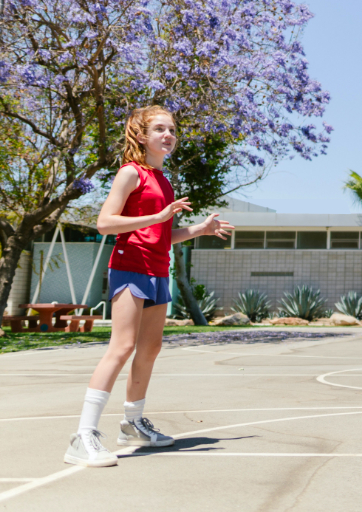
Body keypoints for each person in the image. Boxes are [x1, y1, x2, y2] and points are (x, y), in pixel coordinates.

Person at [64, 106, 234, 467]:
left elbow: (160, 236)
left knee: (150, 348)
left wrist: (199, 230)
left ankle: (133, 421)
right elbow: (106, 223)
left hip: (158, 269)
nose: (168, 135)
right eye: (160, 129)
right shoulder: (131, 173)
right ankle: (83, 435)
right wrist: (157, 216)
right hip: (129, 267)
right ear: (141, 136)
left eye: (172, 129)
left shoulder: (163, 179)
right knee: (122, 346)